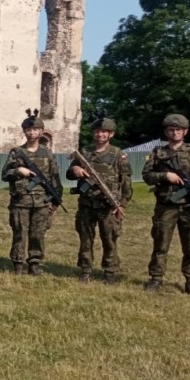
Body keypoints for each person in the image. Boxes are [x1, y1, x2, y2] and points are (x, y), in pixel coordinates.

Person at [142, 114, 190, 295]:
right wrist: (165, 176)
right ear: (166, 132)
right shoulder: (158, 153)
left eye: (178, 130)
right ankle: (156, 278)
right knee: (161, 244)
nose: (175, 133)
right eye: (171, 130)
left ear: (184, 132)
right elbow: (147, 176)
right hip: (166, 206)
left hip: (189, 206)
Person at [66, 117, 132, 285]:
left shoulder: (118, 154)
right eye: (97, 131)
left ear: (111, 134)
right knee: (86, 239)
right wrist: (75, 169)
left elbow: (126, 183)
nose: (100, 134)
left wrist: (122, 204)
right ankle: (86, 270)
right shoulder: (85, 152)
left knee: (109, 239)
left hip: (108, 206)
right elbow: (69, 173)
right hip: (87, 204)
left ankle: (110, 272)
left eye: (104, 132)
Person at [1, 109, 62, 275]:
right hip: (21, 201)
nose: (32, 132)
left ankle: (35, 265)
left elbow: (55, 178)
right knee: (19, 234)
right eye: (28, 129)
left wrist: (56, 200)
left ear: (41, 131)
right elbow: (4, 174)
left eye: (35, 129)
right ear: (24, 132)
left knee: (38, 234)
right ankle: (18, 264)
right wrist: (19, 170)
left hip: (42, 202)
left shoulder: (47, 153)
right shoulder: (17, 152)